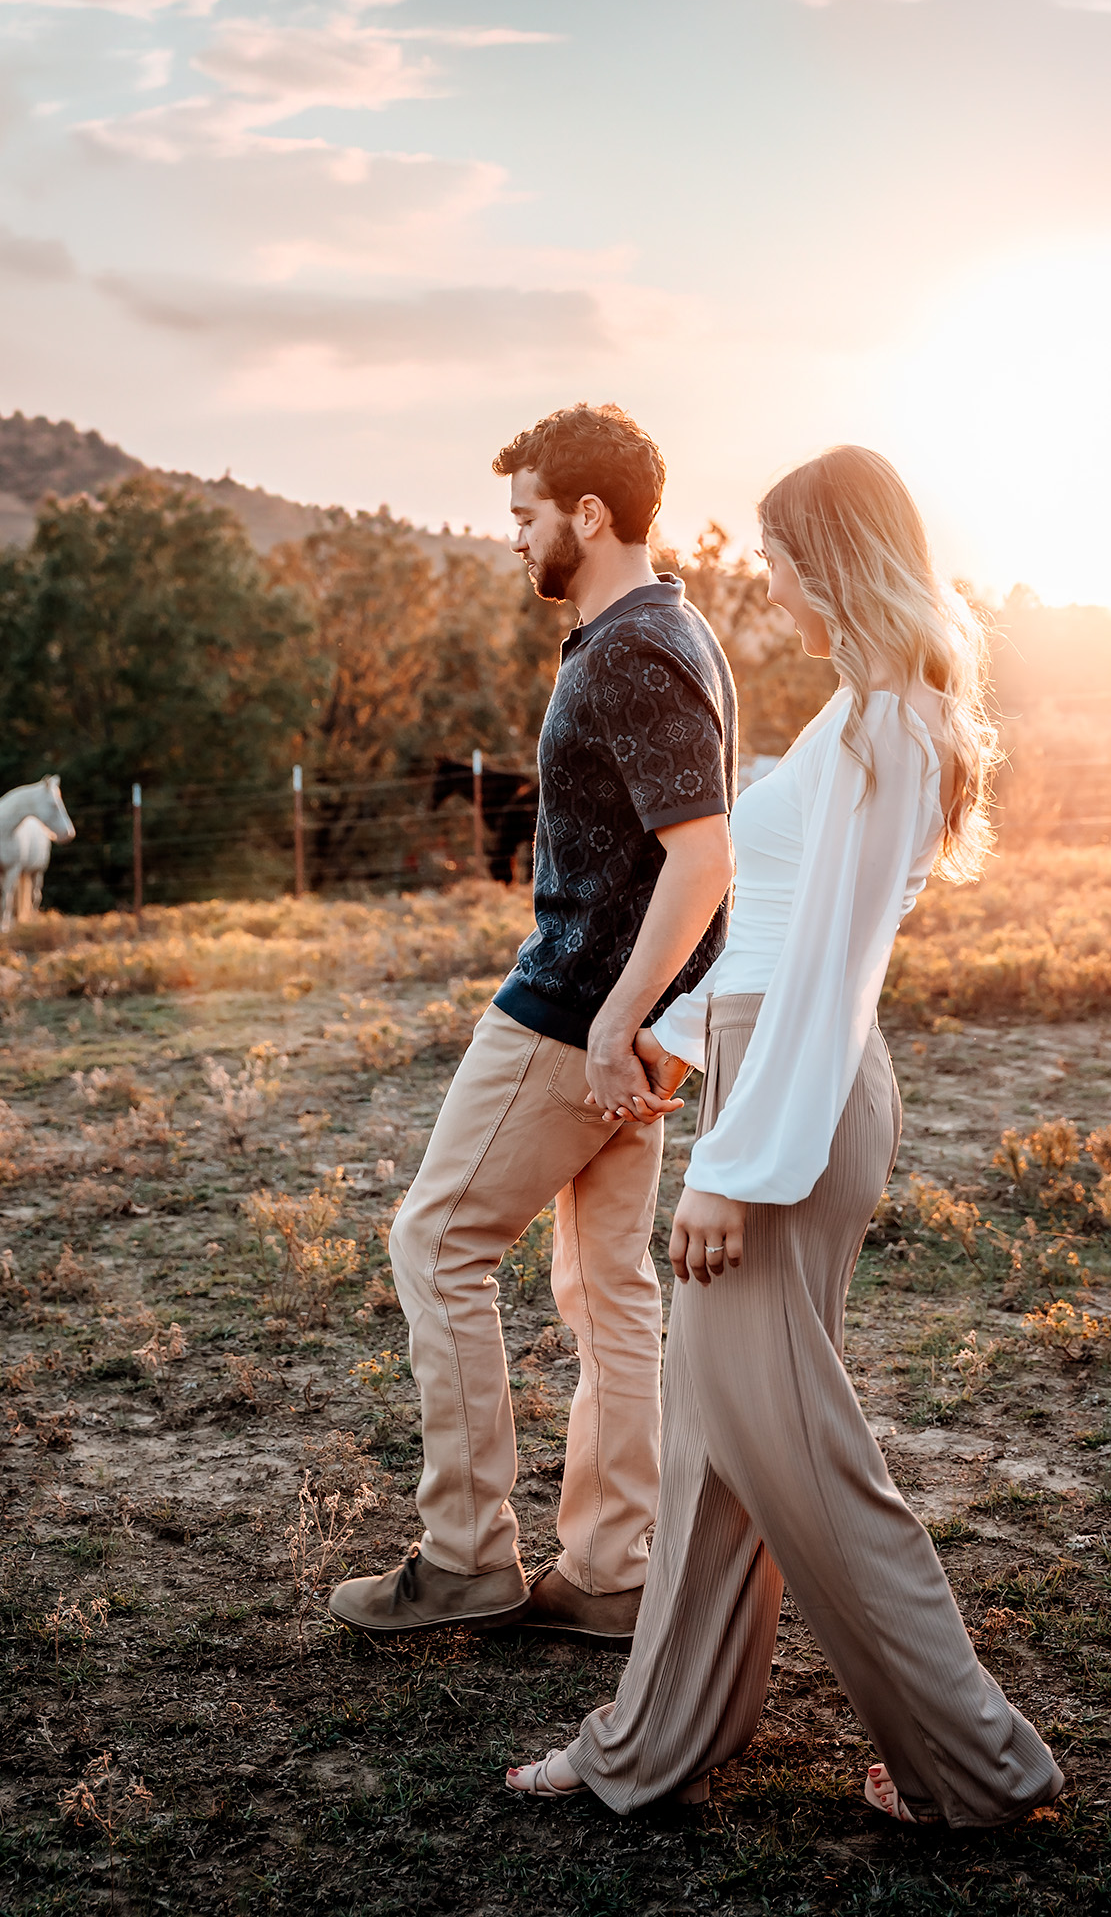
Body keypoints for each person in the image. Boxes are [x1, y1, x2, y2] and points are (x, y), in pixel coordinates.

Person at [505, 446, 1064, 1826]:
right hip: (764, 1072)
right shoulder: (858, 712)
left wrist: (737, 1167)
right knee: (712, 1445)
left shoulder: (889, 725)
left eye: (778, 552)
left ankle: (980, 1768)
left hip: (797, 1107)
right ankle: (654, 1742)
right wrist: (677, 1044)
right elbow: (770, 938)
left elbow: (832, 975)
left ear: (836, 554)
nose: (764, 576)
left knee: (802, 1452)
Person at [330, 404, 737, 1644]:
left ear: (588, 515)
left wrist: (618, 1018)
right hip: (629, 1012)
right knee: (606, 1282)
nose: (513, 539)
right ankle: (611, 1568)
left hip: (576, 1012)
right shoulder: (665, 632)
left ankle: (465, 1554)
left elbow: (704, 853)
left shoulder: (632, 647)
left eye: (524, 516)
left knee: (436, 1240)